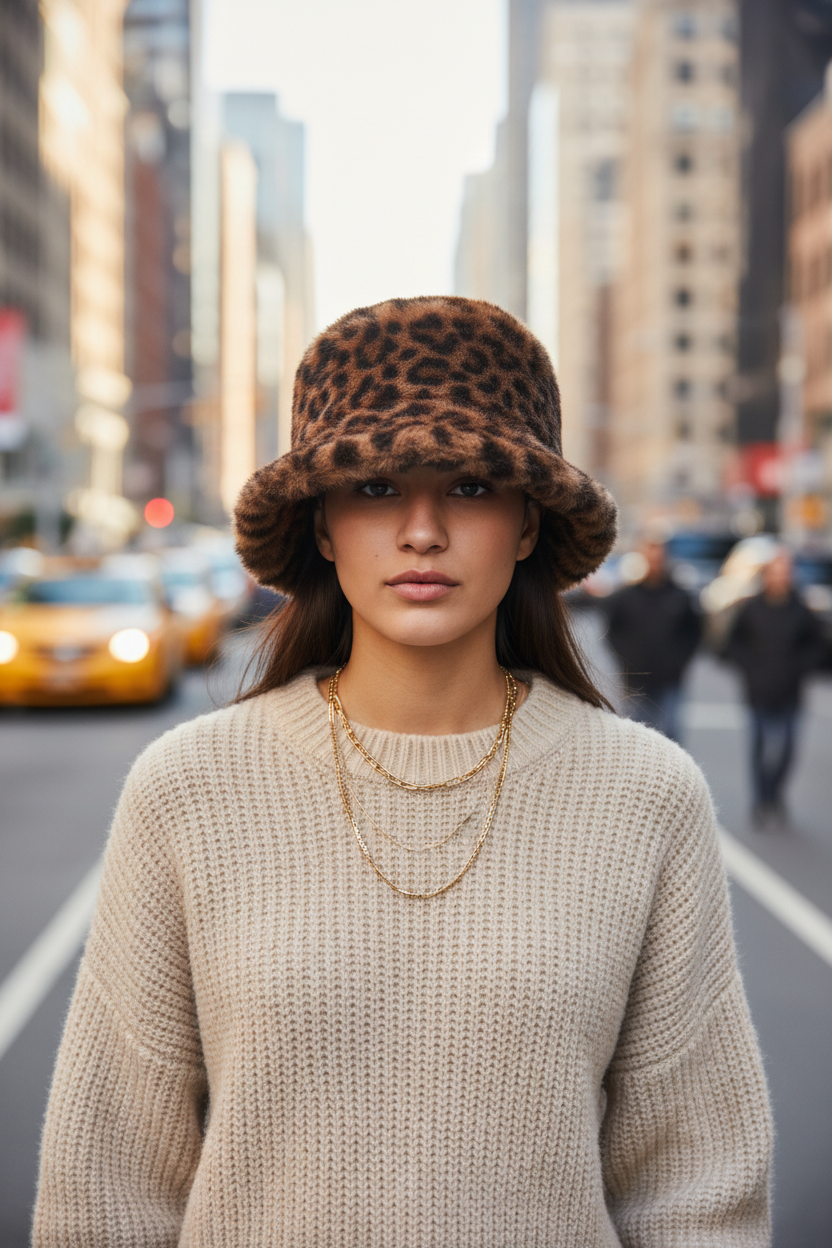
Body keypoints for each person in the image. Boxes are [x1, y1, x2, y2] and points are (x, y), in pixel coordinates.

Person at [33, 297, 772, 1246]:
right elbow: (107, 1189)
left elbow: (699, 1194)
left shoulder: (646, 795)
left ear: (529, 525)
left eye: (469, 488)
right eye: (377, 489)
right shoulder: (190, 787)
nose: (422, 530)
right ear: (325, 526)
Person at [725, 549, 826, 826]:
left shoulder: (801, 609)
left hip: (791, 691)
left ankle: (775, 794)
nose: (781, 577)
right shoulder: (751, 608)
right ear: (766, 575)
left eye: (786, 571)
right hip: (758, 690)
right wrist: (750, 668)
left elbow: (818, 646)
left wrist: (800, 667)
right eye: (776, 571)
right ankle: (760, 800)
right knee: (759, 747)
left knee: (787, 749)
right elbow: (733, 644)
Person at [604, 537, 701, 741]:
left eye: (659, 557)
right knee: (636, 738)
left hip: (669, 680)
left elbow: (695, 632)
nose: (655, 562)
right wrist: (626, 660)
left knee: (670, 736)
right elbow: (612, 632)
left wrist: (679, 662)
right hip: (636, 681)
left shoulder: (679, 596)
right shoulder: (626, 597)